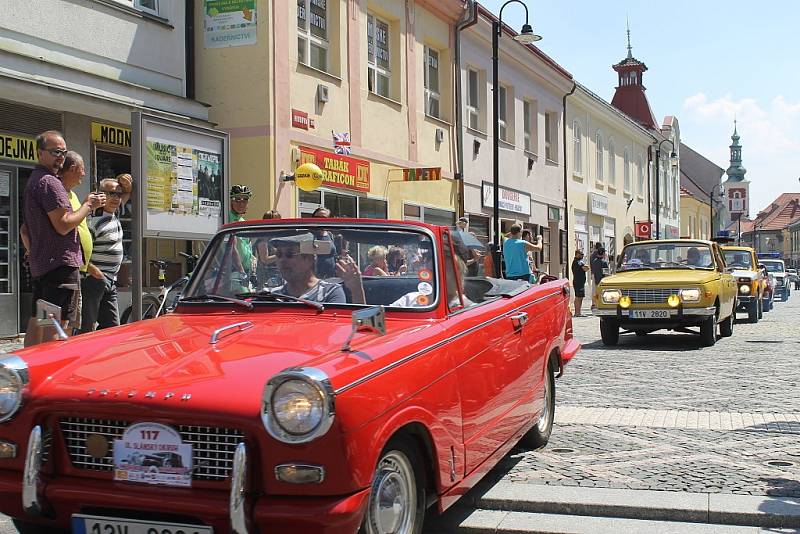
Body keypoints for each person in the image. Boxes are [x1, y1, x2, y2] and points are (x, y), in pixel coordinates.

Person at [21, 131, 105, 346]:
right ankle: (48, 374)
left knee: (40, 323)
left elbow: (26, 229)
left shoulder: (36, 180)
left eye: (63, 152)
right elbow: (63, 225)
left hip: (47, 267)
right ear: (40, 153)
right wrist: (88, 206)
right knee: (56, 329)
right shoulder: (49, 182)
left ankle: (26, 370)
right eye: (55, 152)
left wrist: (33, 251)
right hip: (59, 267)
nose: (60, 156)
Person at [80, 178, 127, 332]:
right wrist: (92, 270)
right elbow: (79, 249)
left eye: (119, 194)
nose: (116, 198)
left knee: (112, 328)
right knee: (88, 327)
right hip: (95, 281)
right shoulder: (95, 220)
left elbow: (128, 190)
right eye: (111, 193)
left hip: (110, 282)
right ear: (101, 195)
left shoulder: (114, 215)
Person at [269, 233, 364, 303]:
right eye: (278, 254)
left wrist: (356, 290)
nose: (282, 260)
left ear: (309, 259)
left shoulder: (329, 293)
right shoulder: (272, 296)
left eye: (289, 254)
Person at [228, 184, 254, 278]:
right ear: (231, 201)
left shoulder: (242, 221)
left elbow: (245, 245)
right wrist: (241, 272)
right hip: (234, 271)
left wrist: (253, 259)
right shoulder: (228, 218)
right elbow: (232, 248)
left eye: (245, 199)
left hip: (246, 270)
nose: (241, 203)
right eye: (237, 199)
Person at [253, 210, 282, 289]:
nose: (277, 224)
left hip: (278, 275)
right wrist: (281, 254)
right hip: (267, 277)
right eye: (274, 222)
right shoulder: (263, 239)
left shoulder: (276, 237)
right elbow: (265, 259)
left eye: (279, 221)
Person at [571, 250, 590, 317]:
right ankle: (577, 313)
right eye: (581, 254)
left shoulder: (579, 261)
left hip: (580, 282)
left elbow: (586, 268)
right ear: (577, 254)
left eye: (582, 254)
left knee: (580, 297)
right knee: (578, 297)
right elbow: (586, 268)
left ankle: (578, 312)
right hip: (578, 282)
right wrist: (586, 266)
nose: (582, 255)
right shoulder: (577, 262)